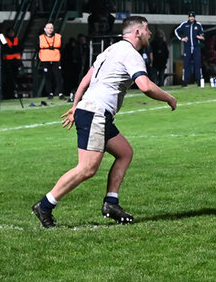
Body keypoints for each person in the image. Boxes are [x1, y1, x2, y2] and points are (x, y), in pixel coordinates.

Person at [31, 16, 177, 228]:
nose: (150, 33)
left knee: (125, 152)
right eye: (147, 29)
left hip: (94, 111)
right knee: (87, 168)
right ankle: (44, 206)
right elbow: (145, 86)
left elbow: (85, 80)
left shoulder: (110, 50)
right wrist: (169, 97)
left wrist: (75, 106)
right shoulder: (131, 54)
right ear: (137, 32)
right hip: (96, 112)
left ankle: (111, 203)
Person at [174, 12, 204, 86]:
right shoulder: (184, 24)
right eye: (190, 17)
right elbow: (176, 31)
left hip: (196, 47)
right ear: (188, 17)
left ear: (194, 17)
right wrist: (181, 38)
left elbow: (202, 35)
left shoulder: (198, 25)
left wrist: (200, 37)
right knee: (186, 64)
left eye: (193, 17)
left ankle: (199, 81)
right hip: (187, 47)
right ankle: (185, 81)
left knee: (197, 64)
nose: (191, 18)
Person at [37, 22, 63, 101]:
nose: (50, 29)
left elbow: (62, 47)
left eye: (51, 28)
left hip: (55, 59)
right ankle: (50, 93)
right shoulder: (40, 37)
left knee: (58, 77)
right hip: (45, 59)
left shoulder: (58, 36)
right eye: (48, 28)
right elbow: (37, 48)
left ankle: (60, 93)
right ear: (45, 29)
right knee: (47, 77)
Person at [1, 28, 21, 100]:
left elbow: (19, 49)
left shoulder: (16, 39)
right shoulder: (4, 39)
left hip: (15, 62)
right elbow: (5, 49)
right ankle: (7, 95)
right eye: (10, 32)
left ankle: (12, 94)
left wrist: (11, 51)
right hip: (7, 62)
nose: (11, 34)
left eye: (12, 32)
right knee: (8, 79)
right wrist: (12, 51)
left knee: (15, 78)